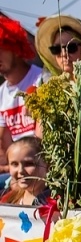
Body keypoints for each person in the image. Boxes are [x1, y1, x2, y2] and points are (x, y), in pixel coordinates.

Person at [0, 15, 42, 151]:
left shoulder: (42, 80)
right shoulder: (1, 94)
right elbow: (4, 146)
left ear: (15, 48)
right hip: (16, 165)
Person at [1, 136, 49, 206]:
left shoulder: (60, 202)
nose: (20, 171)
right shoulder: (7, 200)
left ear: (48, 166)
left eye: (29, 164)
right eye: (15, 164)